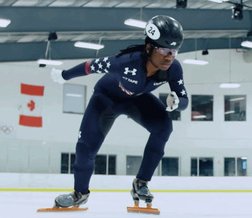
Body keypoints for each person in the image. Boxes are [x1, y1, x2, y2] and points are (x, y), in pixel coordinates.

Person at [50, 15, 188, 208]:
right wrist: (64, 76)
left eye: (174, 51)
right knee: (85, 147)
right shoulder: (126, 62)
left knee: (164, 127)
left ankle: (141, 183)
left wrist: (177, 103)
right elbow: (91, 66)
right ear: (149, 48)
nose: (169, 57)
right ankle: (80, 193)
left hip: (137, 100)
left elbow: (184, 99)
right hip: (106, 99)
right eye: (164, 50)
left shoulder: (173, 69)